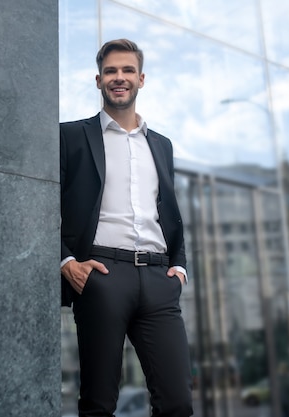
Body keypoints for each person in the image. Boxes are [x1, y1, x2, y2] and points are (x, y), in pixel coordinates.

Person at [59, 39, 193, 417]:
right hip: (101, 276)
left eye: (128, 70)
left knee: (178, 402)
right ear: (98, 79)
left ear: (141, 79)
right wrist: (67, 261)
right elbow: (41, 205)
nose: (120, 78)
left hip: (158, 278)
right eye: (112, 71)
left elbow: (170, 212)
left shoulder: (162, 145)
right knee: (99, 402)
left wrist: (179, 269)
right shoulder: (71, 137)